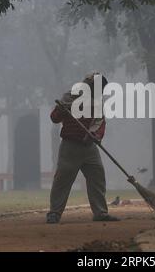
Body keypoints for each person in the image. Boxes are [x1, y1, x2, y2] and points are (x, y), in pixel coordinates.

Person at [46, 72, 119, 224]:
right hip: (70, 146)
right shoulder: (70, 96)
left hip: (89, 147)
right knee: (62, 180)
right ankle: (54, 213)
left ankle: (100, 212)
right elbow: (54, 118)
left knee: (97, 177)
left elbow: (100, 123)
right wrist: (62, 109)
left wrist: (95, 135)